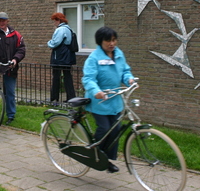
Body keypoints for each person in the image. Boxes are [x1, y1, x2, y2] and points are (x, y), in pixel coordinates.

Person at [82, 27, 136, 173]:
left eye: (114, 40)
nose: (112, 43)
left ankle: (106, 160)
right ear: (101, 42)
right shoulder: (94, 58)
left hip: (115, 99)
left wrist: (129, 79)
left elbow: (125, 70)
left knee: (116, 130)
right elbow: (88, 78)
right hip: (99, 101)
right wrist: (96, 91)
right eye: (108, 40)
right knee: (105, 128)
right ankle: (94, 152)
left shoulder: (119, 54)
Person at [47, 12, 76, 103]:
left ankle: (54, 98)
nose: (54, 23)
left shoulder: (60, 30)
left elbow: (55, 42)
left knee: (56, 77)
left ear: (59, 20)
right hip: (67, 57)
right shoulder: (68, 29)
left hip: (59, 57)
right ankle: (71, 97)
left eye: (55, 20)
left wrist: (49, 43)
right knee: (67, 77)